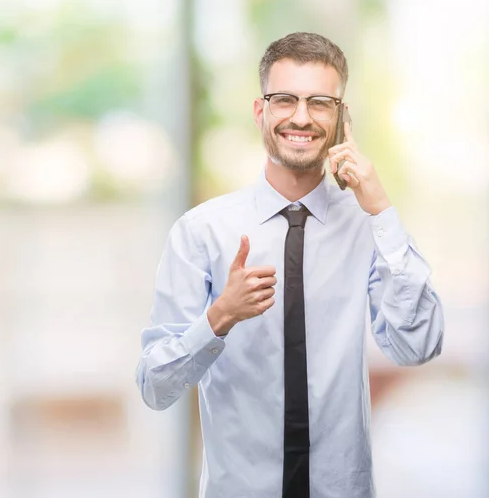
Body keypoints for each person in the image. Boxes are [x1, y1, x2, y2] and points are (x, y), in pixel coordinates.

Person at [135, 32, 444, 498]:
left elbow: (417, 346)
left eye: (320, 103)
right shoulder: (202, 232)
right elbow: (156, 388)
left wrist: (381, 208)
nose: (301, 117)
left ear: (341, 118)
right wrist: (219, 317)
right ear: (261, 111)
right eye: (285, 100)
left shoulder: (370, 227)